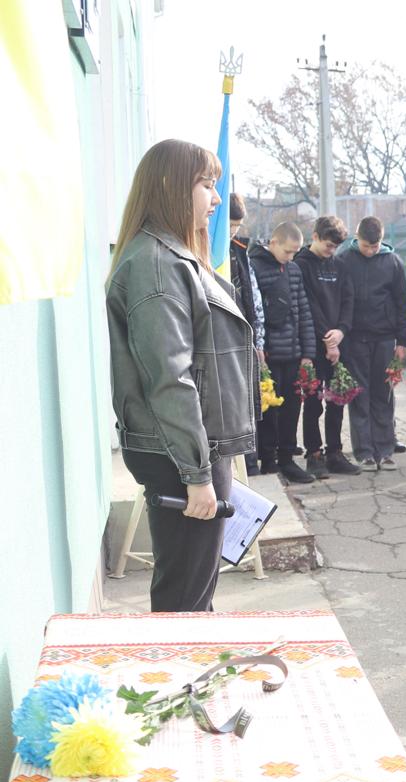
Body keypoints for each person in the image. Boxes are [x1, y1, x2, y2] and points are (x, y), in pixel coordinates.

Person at [106, 139, 255, 611]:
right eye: (207, 184)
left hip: (192, 450)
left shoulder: (171, 257)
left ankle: (191, 680)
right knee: (184, 604)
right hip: (182, 456)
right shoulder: (156, 265)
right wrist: (196, 474)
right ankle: (180, 684)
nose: (216, 199)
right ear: (171, 185)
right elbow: (170, 378)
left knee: (193, 597)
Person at [337, 216, 406, 472]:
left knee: (384, 394)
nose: (371, 250)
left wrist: (403, 340)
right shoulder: (344, 261)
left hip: (384, 338)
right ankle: (364, 452)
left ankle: (386, 449)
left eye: (375, 245)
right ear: (357, 238)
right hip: (355, 338)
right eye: (367, 246)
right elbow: (341, 301)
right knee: (360, 395)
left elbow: (402, 303)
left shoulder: (393, 262)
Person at [249, 222, 316, 484]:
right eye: (288, 252)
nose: (291, 257)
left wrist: (308, 353)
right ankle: (268, 460)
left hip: (294, 353)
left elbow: (303, 311)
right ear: (273, 243)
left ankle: (287, 459)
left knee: (291, 408)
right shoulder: (254, 266)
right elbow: (254, 312)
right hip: (268, 355)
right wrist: (258, 348)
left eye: (295, 253)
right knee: (268, 411)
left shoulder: (295, 270)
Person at [295, 215, 361, 478]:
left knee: (337, 400)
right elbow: (308, 306)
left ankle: (335, 452)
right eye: (327, 245)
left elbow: (349, 301)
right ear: (314, 236)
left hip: (339, 343)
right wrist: (327, 338)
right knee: (313, 402)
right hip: (313, 345)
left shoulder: (340, 266)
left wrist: (341, 332)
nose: (331, 250)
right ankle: (314, 454)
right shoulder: (301, 265)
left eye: (335, 247)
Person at [226, 193, 265, 475]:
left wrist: (258, 340)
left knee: (246, 405)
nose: (233, 232)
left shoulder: (239, 250)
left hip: (244, 338)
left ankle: (248, 462)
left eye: (237, 226)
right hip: (221, 343)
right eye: (229, 225)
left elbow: (253, 297)